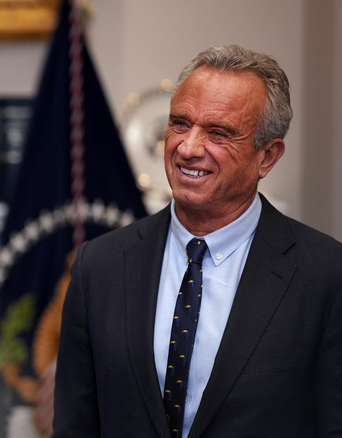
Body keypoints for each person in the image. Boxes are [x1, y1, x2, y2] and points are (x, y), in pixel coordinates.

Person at [52, 44, 342, 437]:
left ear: (267, 157)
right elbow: (76, 426)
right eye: (180, 124)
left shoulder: (326, 275)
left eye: (218, 133)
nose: (188, 148)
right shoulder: (98, 266)